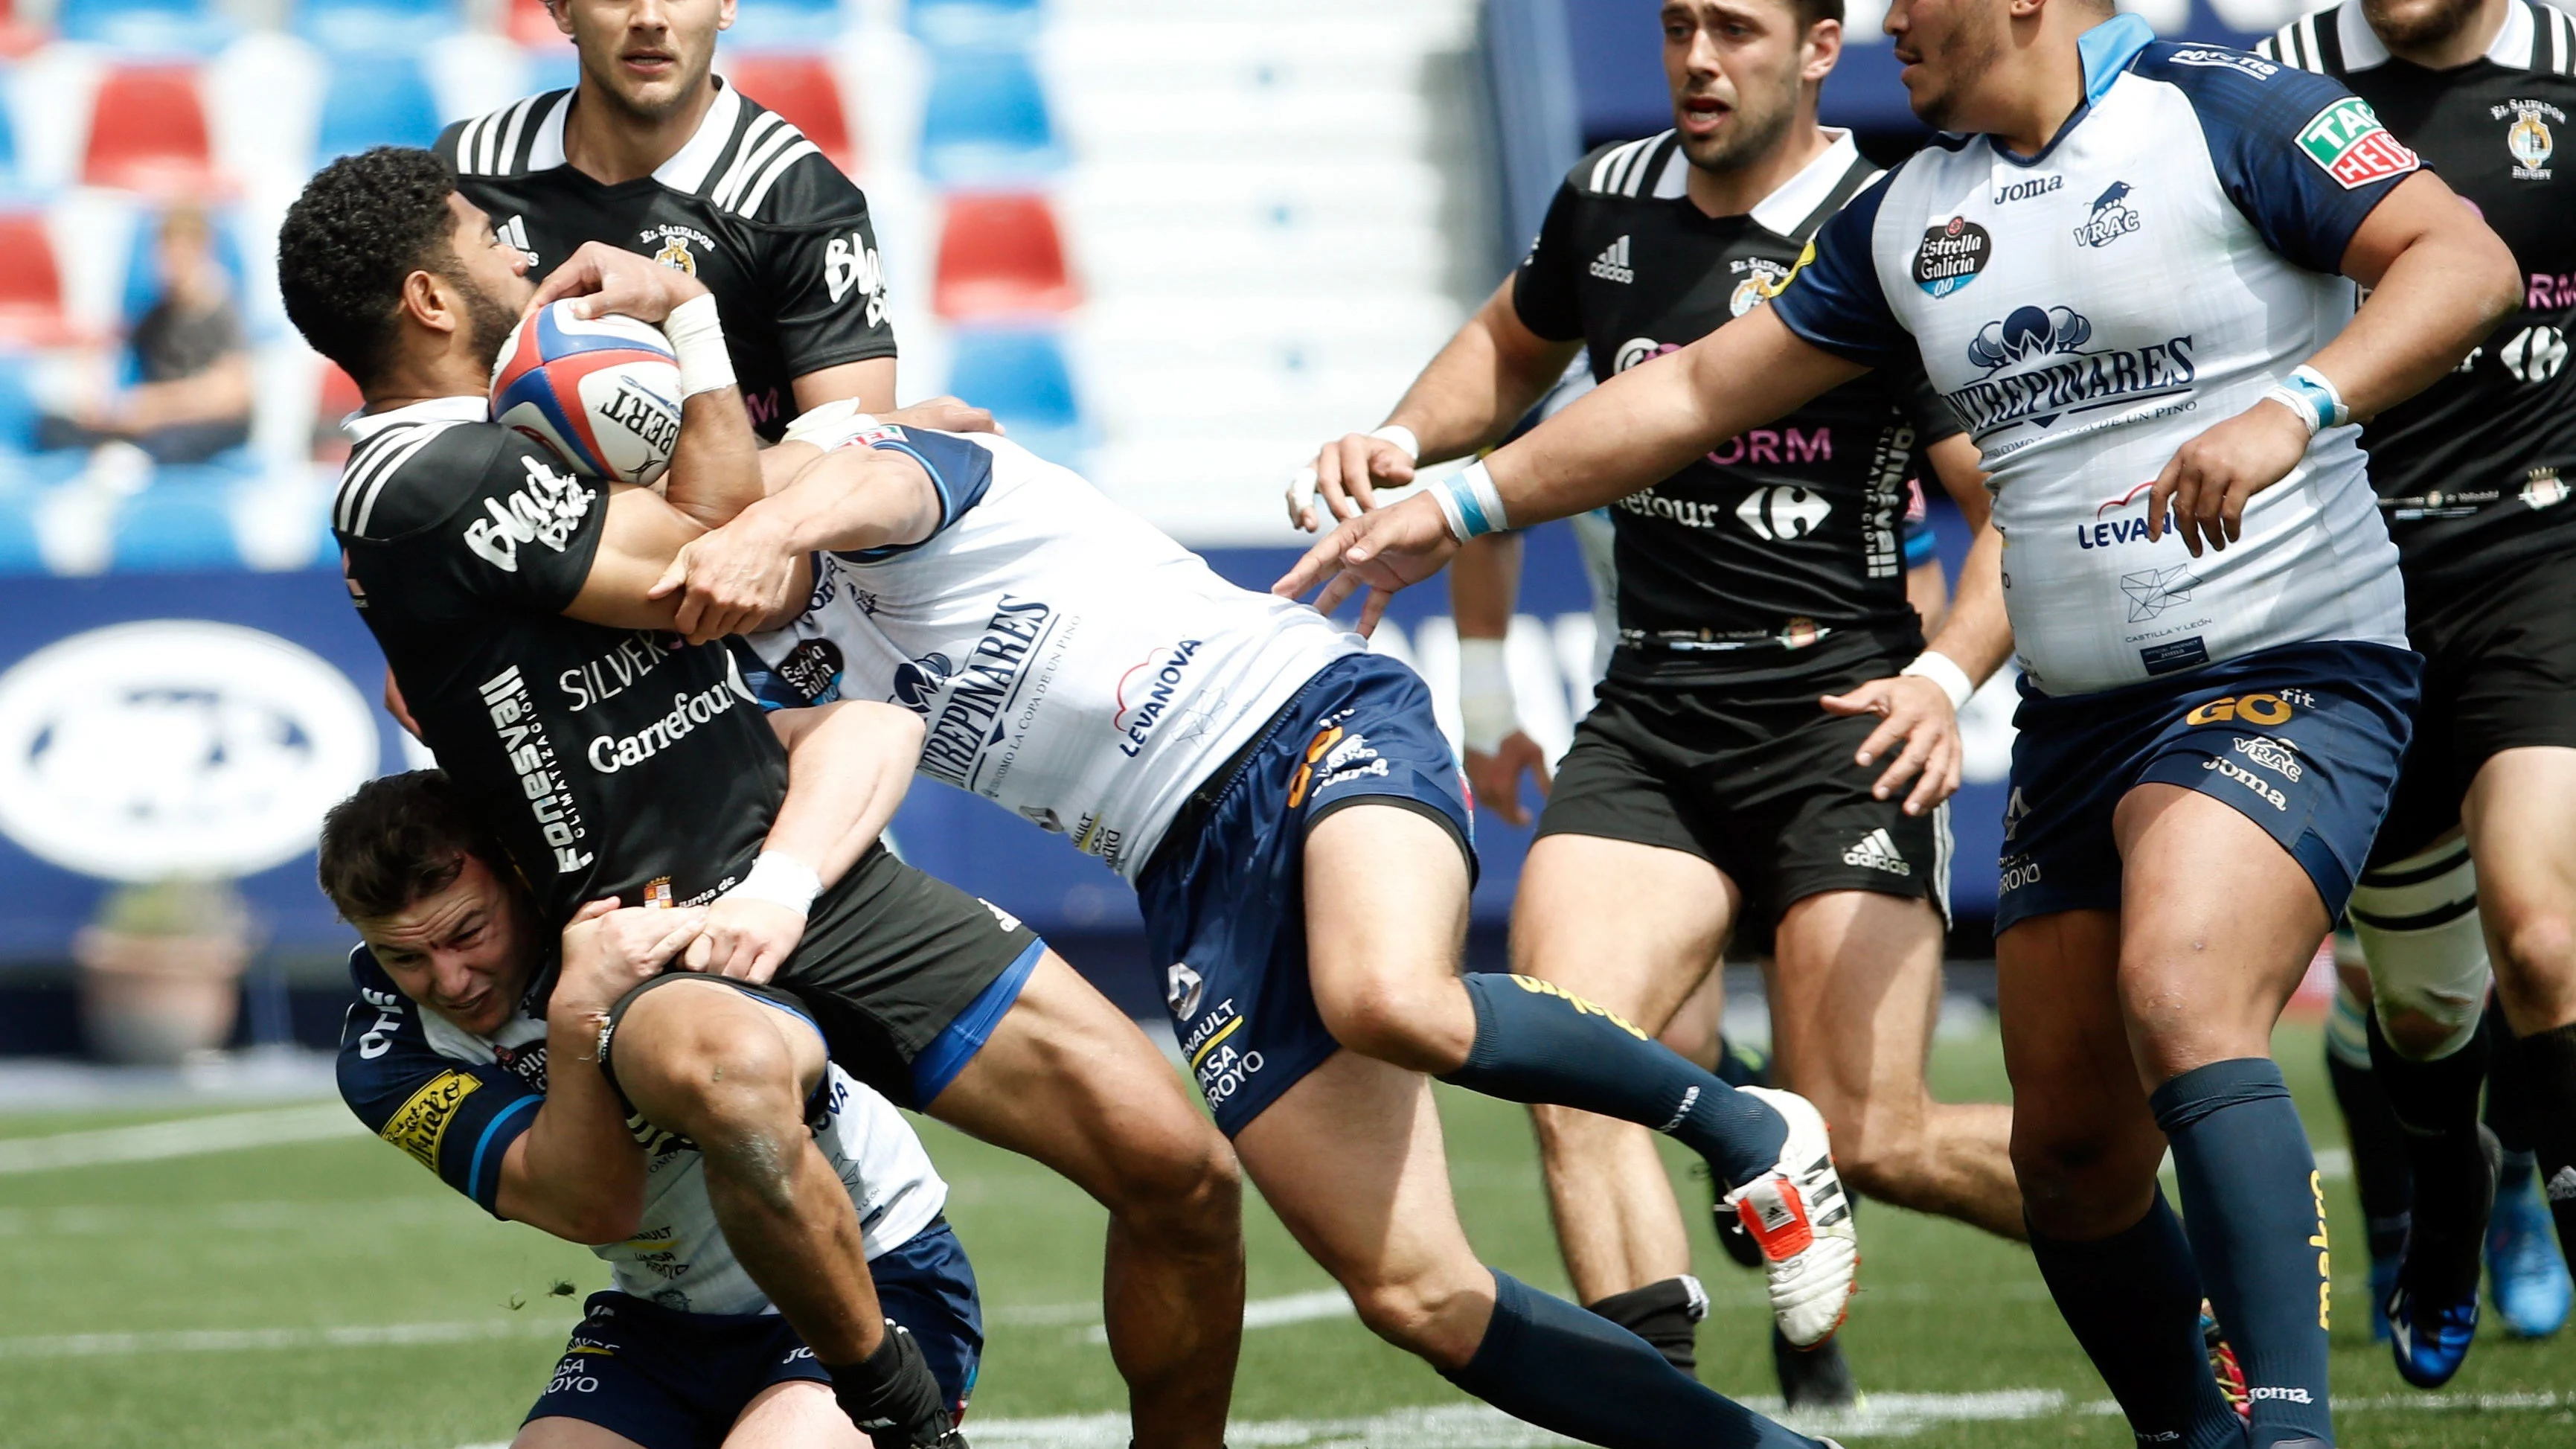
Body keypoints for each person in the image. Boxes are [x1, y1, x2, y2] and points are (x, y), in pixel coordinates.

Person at [1275, 1, 2523, 1445]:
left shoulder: (2224, 105)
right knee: (2057, 1150)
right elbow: (1685, 391)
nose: (1892, 28)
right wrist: (1453, 495)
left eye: (1907, 6)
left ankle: (2295, 1414)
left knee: (2162, 1004)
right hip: (2036, 714)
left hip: (2255, 665)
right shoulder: (1909, 213)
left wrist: (2293, 408)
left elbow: (2466, 258)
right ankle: (2162, 1416)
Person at [648, 405, 1859, 1449]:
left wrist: (766, 519)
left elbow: (878, 473)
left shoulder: (864, 471)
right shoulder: (754, 649)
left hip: (1299, 714)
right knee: (1412, 1291)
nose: (691, 529)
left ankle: (1751, 1125)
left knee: (1386, 994)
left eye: (702, 495)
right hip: (1182, 868)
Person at [277, 145, 1243, 1449]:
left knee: (1179, 1174)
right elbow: (715, 562)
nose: (518, 250)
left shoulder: (503, 443)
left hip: (813, 874)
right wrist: (846, 448)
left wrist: (690, 326)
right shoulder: (416, 481)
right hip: (654, 924)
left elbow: (743, 559)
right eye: (485, 240)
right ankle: (902, 1411)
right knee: (730, 1075)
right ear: (430, 300)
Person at [1289, 0, 2021, 1408]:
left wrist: (1942, 677)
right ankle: (1685, 1424)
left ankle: (2200, 1237)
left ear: (1820, 51)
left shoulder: (1896, 229)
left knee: (1873, 1135)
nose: (1695, 58)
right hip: (1651, 704)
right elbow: (1508, 365)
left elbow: (2007, 508)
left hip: (1840, 716)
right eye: (1678, 24)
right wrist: (1399, 437)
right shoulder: (1607, 200)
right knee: (1575, 1057)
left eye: (1735, 30)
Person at [327, 771, 983, 1449]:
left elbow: (863, 734)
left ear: (519, 875)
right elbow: (590, 1209)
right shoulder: (386, 1053)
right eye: (403, 955)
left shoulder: (633, 899)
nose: (450, 980)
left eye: (468, 932)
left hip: (870, 1267)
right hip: (662, 1319)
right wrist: (578, 1012)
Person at [2257, 0, 2576, 1381]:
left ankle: (2521, 1209)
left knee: (2546, 934)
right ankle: (2453, 1181)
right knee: (2419, 1009)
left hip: (2539, 544)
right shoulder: (2280, 81)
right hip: (2350, 577)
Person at [445, 0, 897, 435]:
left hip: (735, 508)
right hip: (521, 498)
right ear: (563, 8)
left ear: (725, 4)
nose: (649, 17)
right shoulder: (471, 169)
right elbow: (420, 398)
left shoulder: (798, 198)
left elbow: (854, 456)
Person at [39, 203, 252, 465]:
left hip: (197, 427)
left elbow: (234, 397)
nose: (173, 262)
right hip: (152, 427)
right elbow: (104, 357)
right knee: (53, 428)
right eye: (167, 251)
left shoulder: (221, 308)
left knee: (169, 445)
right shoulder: (156, 315)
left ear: (203, 250)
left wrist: (158, 406)